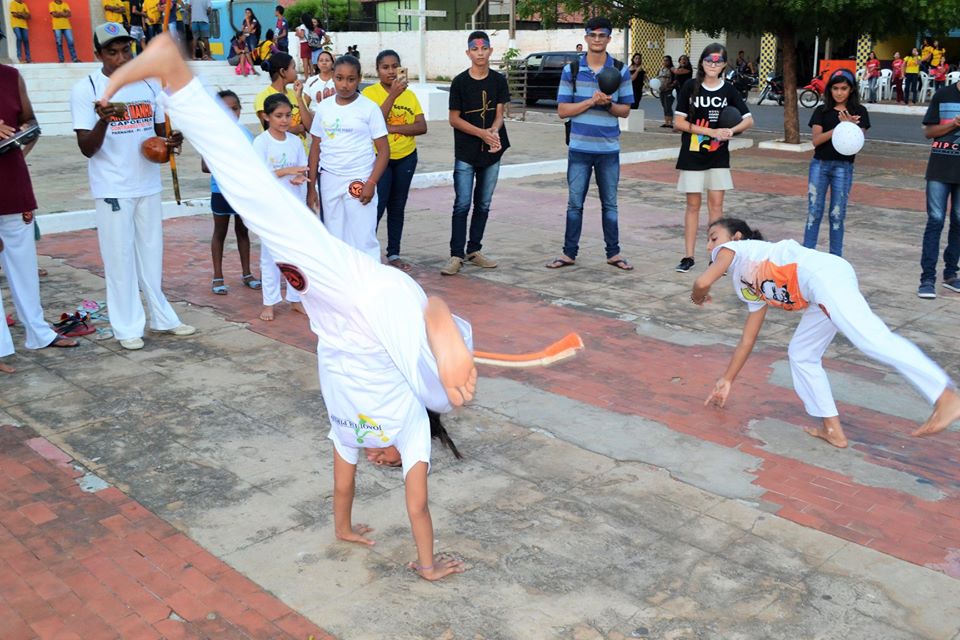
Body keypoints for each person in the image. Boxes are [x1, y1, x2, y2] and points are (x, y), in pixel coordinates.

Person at [100, 34, 476, 580]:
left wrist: (343, 527)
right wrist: (428, 564)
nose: (380, 461)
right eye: (387, 461)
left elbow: (342, 480)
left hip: (330, 310)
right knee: (265, 202)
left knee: (256, 203)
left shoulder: (354, 430)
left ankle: (175, 81)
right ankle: (175, 77)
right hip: (370, 301)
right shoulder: (413, 425)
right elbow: (417, 505)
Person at [693, 217, 960, 446]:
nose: (709, 246)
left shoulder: (735, 249)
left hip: (821, 275)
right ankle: (832, 429)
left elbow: (702, 281)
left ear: (735, 237)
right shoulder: (745, 281)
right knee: (801, 353)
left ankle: (944, 395)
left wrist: (698, 296)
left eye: (713, 238)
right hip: (818, 290)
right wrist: (727, 379)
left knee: (870, 339)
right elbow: (747, 340)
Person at [69, 23, 195, 350]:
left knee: (152, 255)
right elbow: (86, 147)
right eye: (112, 52)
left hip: (147, 183)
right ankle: (127, 326)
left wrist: (170, 142)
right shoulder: (87, 88)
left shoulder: (149, 85)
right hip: (112, 186)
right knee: (119, 259)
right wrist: (104, 119)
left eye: (126, 50)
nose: (121, 57)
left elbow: (156, 135)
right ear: (98, 54)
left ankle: (163, 317)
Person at [1, 64, 79, 374]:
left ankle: (39, 333)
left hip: (13, 183)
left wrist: (19, 143)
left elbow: (30, 121)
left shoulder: (10, 76)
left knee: (23, 266)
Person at [546, 17, 633, 272]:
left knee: (610, 204)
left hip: (608, 149)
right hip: (579, 148)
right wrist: (590, 102)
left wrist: (608, 105)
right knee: (574, 203)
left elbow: (625, 110)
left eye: (602, 35)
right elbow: (562, 110)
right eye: (592, 35)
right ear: (586, 38)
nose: (597, 39)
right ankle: (568, 252)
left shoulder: (620, 70)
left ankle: (613, 253)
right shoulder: (570, 70)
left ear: (609, 38)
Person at [672, 42, 753, 273]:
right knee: (692, 206)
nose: (712, 65)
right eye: (708, 60)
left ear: (724, 65)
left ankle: (716, 257)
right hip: (692, 154)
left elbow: (748, 119)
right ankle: (688, 256)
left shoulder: (728, 90)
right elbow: (679, 122)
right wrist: (709, 131)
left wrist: (731, 131)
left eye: (717, 61)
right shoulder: (690, 86)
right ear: (702, 62)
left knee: (716, 207)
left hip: (718, 156)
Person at [440, 31, 510, 276]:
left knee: (484, 203)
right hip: (466, 151)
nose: (480, 53)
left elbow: (500, 113)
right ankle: (456, 254)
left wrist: (493, 130)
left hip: (492, 150)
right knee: (462, 203)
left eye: (484, 48)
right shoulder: (460, 82)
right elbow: (453, 119)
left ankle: (474, 249)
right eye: (475, 49)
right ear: (468, 53)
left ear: (490, 51)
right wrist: (481, 133)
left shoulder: (499, 80)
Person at [307, 55, 389, 260]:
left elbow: (384, 150)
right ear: (332, 77)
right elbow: (316, 147)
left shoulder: (369, 108)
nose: (344, 85)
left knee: (363, 237)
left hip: (359, 177)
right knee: (336, 237)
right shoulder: (324, 107)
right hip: (329, 179)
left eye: (351, 79)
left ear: (359, 78)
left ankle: (370, 285)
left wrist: (371, 182)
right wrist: (311, 188)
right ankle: (343, 287)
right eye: (339, 78)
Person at [363, 49, 427, 272]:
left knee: (397, 206)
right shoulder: (370, 94)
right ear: (378, 70)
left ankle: (394, 253)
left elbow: (422, 126)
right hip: (380, 158)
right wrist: (392, 95)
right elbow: (373, 122)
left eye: (395, 66)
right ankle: (366, 252)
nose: (391, 71)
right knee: (376, 206)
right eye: (385, 67)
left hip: (406, 157)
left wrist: (393, 128)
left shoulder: (410, 95)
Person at [803, 70, 869, 257]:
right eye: (835, 88)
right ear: (830, 90)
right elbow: (816, 140)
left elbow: (858, 142)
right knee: (814, 211)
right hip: (820, 165)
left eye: (844, 88)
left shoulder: (859, 112)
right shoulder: (822, 111)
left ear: (851, 90)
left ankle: (835, 257)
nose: (839, 93)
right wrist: (840, 128)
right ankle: (807, 255)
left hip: (844, 166)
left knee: (837, 213)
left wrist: (851, 126)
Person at [253, 94, 307, 320]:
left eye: (288, 115)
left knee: (296, 255)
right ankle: (270, 302)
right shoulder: (261, 143)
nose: (284, 120)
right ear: (266, 117)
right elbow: (258, 176)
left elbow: (302, 168)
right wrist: (286, 171)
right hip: (271, 209)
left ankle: (296, 298)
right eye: (278, 116)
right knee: (270, 257)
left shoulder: (295, 141)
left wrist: (300, 178)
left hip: (293, 206)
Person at [203, 90, 259, 297]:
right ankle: (218, 276)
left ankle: (247, 273)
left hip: (242, 190)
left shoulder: (245, 133)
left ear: (240, 110)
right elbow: (205, 166)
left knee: (243, 232)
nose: (230, 113)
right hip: (221, 190)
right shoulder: (211, 135)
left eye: (235, 108)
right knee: (220, 232)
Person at [917, 78, 960, 299]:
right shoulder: (943, 95)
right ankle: (927, 279)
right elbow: (929, 132)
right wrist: (954, 123)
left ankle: (951, 274)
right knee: (935, 221)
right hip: (940, 169)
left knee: (959, 221)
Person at [255, 53, 311, 142]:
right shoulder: (263, 97)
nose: (296, 71)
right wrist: (295, 129)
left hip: (301, 152)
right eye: (293, 67)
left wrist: (299, 98)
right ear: (282, 72)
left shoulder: (296, 94)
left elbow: (309, 127)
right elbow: (269, 129)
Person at [657, 55, 675, 128]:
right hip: (662, 90)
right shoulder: (660, 69)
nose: (665, 62)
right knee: (664, 106)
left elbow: (675, 79)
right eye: (664, 60)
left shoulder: (672, 69)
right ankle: (666, 122)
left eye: (667, 60)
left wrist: (671, 85)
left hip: (669, 90)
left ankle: (670, 122)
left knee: (668, 106)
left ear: (670, 61)